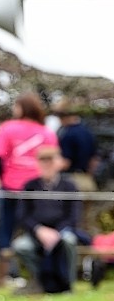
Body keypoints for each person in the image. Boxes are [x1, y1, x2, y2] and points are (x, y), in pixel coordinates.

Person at [0, 92, 58, 284]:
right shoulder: (46, 132)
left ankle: (10, 272)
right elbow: (54, 158)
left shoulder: (7, 128)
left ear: (21, 107)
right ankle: (35, 272)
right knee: (35, 227)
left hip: (13, 187)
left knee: (6, 231)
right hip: (37, 189)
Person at [11, 145, 80, 294]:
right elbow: (23, 215)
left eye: (50, 160)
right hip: (37, 233)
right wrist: (39, 230)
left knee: (69, 241)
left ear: (59, 162)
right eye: (43, 160)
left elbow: (73, 216)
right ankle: (42, 281)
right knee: (21, 246)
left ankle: (68, 284)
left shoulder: (69, 186)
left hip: (62, 231)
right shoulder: (30, 186)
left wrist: (57, 232)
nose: (47, 164)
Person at [52, 100, 99, 236]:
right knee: (86, 223)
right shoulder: (88, 132)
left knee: (70, 222)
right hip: (88, 181)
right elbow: (94, 160)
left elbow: (65, 162)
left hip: (71, 180)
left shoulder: (67, 134)